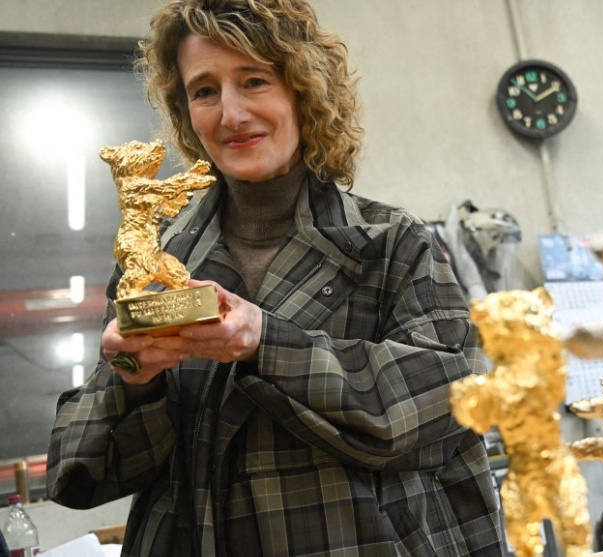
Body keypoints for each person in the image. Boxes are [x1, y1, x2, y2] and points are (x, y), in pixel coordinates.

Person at [46, 1, 504, 555]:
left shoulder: (391, 243)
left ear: (304, 91)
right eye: (205, 91)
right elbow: (81, 471)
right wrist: (133, 379)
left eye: (254, 81)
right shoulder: (158, 258)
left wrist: (265, 340)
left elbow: (453, 405)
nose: (231, 114)